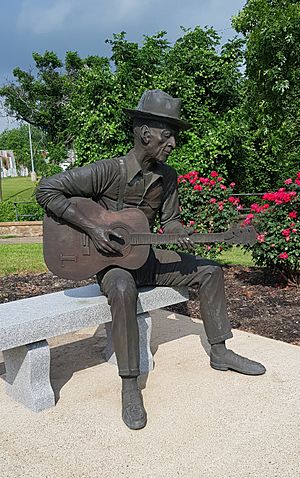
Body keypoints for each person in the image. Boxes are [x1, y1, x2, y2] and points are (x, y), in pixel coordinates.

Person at [36, 89, 266, 430]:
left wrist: (179, 230)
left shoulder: (167, 178)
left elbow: (170, 221)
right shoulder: (107, 171)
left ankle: (220, 352)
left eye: (173, 136)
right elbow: (46, 189)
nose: (172, 143)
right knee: (123, 288)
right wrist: (94, 228)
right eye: (167, 134)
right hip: (109, 263)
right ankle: (130, 384)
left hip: (148, 255)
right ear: (146, 134)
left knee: (209, 270)